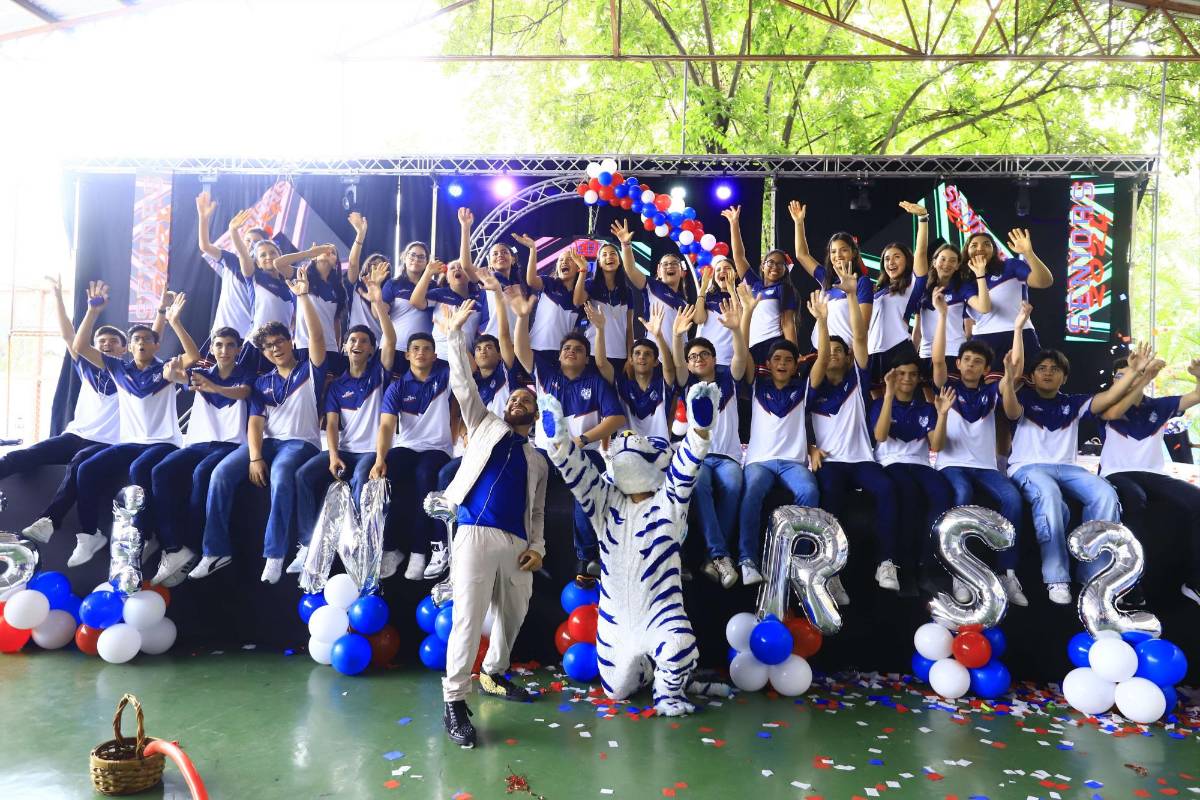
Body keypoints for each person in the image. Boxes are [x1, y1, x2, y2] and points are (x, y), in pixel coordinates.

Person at [438, 300, 547, 749]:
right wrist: (454, 336)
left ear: (535, 416)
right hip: (475, 533)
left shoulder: (538, 459)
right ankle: (454, 700)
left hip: (517, 543)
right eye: (514, 398)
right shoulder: (484, 425)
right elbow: (463, 384)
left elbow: (537, 511)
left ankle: (494, 674)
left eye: (526, 401)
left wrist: (538, 546)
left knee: (513, 616)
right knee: (468, 619)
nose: (518, 402)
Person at [191, 266, 327, 585]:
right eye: (268, 346)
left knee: (281, 476)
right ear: (263, 352)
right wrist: (254, 457)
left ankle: (275, 554)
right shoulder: (262, 381)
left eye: (280, 342)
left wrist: (303, 297)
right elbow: (255, 422)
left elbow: (318, 337)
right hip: (267, 443)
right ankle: (215, 551)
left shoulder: (310, 370)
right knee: (220, 474)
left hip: (301, 443)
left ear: (290, 342)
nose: (275, 348)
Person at [1001, 333, 1148, 604]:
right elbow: (1010, 411)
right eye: (1042, 368)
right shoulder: (1023, 400)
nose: (1048, 372)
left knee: (1105, 494)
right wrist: (1009, 381)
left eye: (1054, 369)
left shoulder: (1073, 403)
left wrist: (1133, 372)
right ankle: (1056, 577)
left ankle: (1093, 575)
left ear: (1064, 377)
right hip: (1028, 467)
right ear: (1032, 376)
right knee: (1049, 495)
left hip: (1069, 469)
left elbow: (1109, 396)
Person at [68, 284, 189, 567]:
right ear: (129, 347)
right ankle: (90, 534)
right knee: (86, 468)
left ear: (157, 345)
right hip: (130, 442)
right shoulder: (118, 368)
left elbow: (191, 356)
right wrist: (92, 311)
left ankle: (147, 536)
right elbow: (79, 347)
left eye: (147, 340)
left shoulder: (166, 369)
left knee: (139, 470)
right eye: (136, 340)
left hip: (164, 442)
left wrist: (171, 318)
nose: (141, 343)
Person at [513, 290, 625, 584]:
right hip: (545, 454)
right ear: (559, 355)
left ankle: (586, 559)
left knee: (586, 489)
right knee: (519, 482)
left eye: (577, 349)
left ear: (586, 358)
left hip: (583, 453)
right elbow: (521, 349)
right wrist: (522, 317)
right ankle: (522, 548)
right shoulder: (546, 374)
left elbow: (616, 419)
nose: (571, 351)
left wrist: (583, 440)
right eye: (566, 348)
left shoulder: (596, 382)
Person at [292, 262, 397, 575]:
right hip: (345, 450)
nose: (357, 345)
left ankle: (362, 547)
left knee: (360, 480)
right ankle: (307, 544)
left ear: (371, 349)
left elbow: (391, 340)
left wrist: (377, 300)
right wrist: (333, 455)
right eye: (352, 341)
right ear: (345, 347)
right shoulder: (336, 385)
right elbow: (332, 424)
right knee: (303, 476)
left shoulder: (380, 373)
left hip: (370, 452)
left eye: (364, 341)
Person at [806, 260, 901, 598]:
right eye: (828, 351)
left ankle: (886, 563)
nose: (833, 354)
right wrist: (822, 321)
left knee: (887, 490)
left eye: (839, 351)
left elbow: (859, 336)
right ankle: (830, 573)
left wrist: (849, 295)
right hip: (830, 463)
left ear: (848, 358)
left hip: (862, 460)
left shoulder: (858, 381)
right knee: (829, 500)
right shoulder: (812, 386)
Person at [8, 277, 125, 545]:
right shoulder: (86, 368)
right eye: (101, 341)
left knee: (79, 463)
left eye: (112, 341)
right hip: (75, 435)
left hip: (108, 442)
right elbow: (69, 336)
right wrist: (59, 298)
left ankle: (49, 521)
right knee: (24, 455)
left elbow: (151, 341)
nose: (106, 344)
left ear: (124, 348)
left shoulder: (129, 373)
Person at [930, 290, 1026, 604]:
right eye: (967, 360)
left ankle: (1007, 572)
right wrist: (942, 315)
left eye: (978, 362)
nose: (971, 365)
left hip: (986, 467)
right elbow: (936, 359)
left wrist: (1017, 328)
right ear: (959, 363)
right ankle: (959, 570)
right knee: (961, 495)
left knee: (1012, 498)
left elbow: (1015, 371)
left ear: (986, 369)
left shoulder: (991, 391)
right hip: (952, 464)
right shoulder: (947, 387)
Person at [149, 326, 257, 586]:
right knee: (159, 471)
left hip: (230, 445)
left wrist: (214, 388)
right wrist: (172, 369)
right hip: (197, 444)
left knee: (201, 474)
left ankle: (196, 546)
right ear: (212, 348)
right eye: (219, 345)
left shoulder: (247, 374)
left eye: (230, 345)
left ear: (238, 349)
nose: (224, 350)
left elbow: (243, 392)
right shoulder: (200, 374)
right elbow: (173, 374)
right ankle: (173, 547)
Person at [736, 291, 829, 586]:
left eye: (788, 359)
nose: (782, 363)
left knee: (809, 492)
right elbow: (743, 351)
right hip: (759, 462)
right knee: (751, 493)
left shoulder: (803, 388)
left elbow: (824, 359)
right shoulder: (756, 385)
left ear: (795, 365)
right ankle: (747, 559)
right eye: (777, 358)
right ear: (768, 363)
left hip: (793, 463)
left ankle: (799, 560)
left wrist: (823, 322)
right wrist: (747, 312)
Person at [1098, 355, 1200, 605]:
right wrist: (1142, 377)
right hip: (1116, 473)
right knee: (1134, 499)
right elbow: (1115, 412)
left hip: (1155, 474)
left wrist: (1198, 375)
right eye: (1121, 375)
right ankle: (1129, 585)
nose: (1127, 379)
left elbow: (1196, 395)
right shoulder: (1105, 405)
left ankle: (1195, 583)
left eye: (1133, 373)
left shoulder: (1158, 406)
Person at [670, 296, 750, 589]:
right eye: (693, 357)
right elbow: (677, 364)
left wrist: (736, 329)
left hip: (728, 457)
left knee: (733, 485)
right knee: (700, 486)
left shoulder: (729, 378)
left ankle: (712, 557)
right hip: (698, 457)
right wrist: (677, 336)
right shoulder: (687, 383)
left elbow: (740, 357)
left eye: (704, 354)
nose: (698, 359)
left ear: (715, 358)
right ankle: (718, 556)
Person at [371, 329, 457, 581]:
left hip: (438, 449)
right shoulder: (397, 386)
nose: (421, 353)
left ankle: (419, 552)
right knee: (389, 475)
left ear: (435, 355)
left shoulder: (445, 377)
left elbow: (469, 368)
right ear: (407, 355)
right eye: (416, 349)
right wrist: (379, 459)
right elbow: (386, 426)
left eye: (427, 349)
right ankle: (390, 549)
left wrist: (455, 330)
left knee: (424, 476)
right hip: (407, 446)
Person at [870, 357, 955, 596]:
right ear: (893, 377)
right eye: (901, 373)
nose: (907, 378)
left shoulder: (926, 408)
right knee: (908, 493)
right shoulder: (880, 404)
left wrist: (942, 415)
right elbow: (880, 435)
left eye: (912, 374)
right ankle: (903, 568)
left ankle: (926, 563)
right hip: (890, 463)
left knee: (943, 493)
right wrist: (888, 395)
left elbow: (936, 446)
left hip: (920, 464)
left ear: (919, 379)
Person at [964, 229, 1053, 374]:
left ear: (994, 250)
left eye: (987, 244)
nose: (980, 248)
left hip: (1022, 334)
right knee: (986, 385)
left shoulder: (1010, 266)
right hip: (984, 340)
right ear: (966, 251)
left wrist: (1028, 253)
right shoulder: (964, 281)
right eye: (974, 245)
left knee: (1028, 382)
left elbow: (1044, 281)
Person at [790, 200, 874, 350]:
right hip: (819, 351)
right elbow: (802, 255)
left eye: (844, 250)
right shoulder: (826, 279)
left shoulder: (862, 282)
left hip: (845, 354)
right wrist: (799, 223)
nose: (838, 255)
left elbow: (863, 329)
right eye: (833, 251)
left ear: (854, 253)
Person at [724, 205, 799, 363]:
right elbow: (738, 257)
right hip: (750, 347)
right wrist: (734, 224)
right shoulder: (754, 285)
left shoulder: (784, 289)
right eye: (770, 262)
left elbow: (788, 323)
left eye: (780, 264)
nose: (775, 267)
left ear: (785, 270)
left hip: (772, 347)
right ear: (763, 266)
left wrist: (794, 356)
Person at [866, 202, 930, 386]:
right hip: (872, 353)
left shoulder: (913, 284)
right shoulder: (877, 291)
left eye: (896, 257)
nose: (891, 262)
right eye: (887, 259)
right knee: (877, 401)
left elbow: (921, 253)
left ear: (907, 261)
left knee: (901, 398)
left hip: (898, 350)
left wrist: (923, 218)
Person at [592, 304, 675, 442]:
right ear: (630, 360)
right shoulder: (622, 385)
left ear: (656, 362)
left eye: (647, 354)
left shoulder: (662, 384)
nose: (642, 357)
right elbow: (601, 363)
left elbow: (669, 369)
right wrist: (600, 329)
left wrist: (658, 336)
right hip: (627, 450)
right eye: (637, 353)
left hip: (658, 450)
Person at [911, 244, 991, 383]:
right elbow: (917, 329)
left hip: (953, 353)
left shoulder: (962, 287)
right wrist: (912, 356)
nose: (947, 264)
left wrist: (980, 275)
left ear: (958, 265)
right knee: (929, 396)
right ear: (934, 262)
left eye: (952, 260)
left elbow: (984, 308)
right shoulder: (922, 289)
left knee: (950, 396)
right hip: (926, 355)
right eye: (943, 259)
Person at [195, 191, 259, 338]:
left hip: (251, 337)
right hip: (223, 332)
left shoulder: (267, 272)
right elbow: (205, 246)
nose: (251, 244)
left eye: (257, 241)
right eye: (248, 240)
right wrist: (203, 218)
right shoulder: (231, 260)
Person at [274, 242, 347, 372]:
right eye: (323, 249)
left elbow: (336, 321)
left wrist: (337, 346)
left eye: (333, 252)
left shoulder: (338, 288)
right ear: (315, 257)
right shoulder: (302, 276)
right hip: (304, 345)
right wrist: (308, 253)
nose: (327, 252)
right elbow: (278, 264)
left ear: (336, 262)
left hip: (330, 348)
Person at [576, 223, 635, 374]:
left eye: (613, 254)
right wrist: (583, 271)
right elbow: (577, 301)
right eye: (604, 255)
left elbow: (629, 329)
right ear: (599, 263)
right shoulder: (590, 285)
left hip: (620, 357)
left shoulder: (627, 292)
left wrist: (630, 358)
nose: (609, 257)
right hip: (593, 354)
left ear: (620, 261)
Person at [227, 211, 296, 335]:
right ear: (257, 263)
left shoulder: (291, 286)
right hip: (256, 342)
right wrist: (233, 231)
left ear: (280, 256)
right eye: (263, 255)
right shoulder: (254, 277)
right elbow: (243, 253)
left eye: (273, 253)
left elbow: (293, 318)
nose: (268, 257)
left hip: (283, 343)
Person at [381, 240, 435, 375]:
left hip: (421, 352)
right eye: (412, 255)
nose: (416, 259)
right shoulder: (393, 284)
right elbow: (378, 314)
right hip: (394, 347)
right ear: (404, 257)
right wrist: (375, 293)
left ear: (427, 262)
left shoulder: (434, 287)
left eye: (421, 257)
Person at [525, 245, 584, 366]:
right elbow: (531, 280)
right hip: (535, 348)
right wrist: (533, 250)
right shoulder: (549, 283)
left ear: (578, 267)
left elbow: (576, 330)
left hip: (561, 354)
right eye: (561, 260)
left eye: (569, 259)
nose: (564, 262)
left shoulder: (581, 296)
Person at [620, 246, 692, 343]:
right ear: (659, 271)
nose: (670, 266)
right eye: (665, 264)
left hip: (679, 351)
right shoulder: (652, 286)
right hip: (655, 350)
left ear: (682, 272)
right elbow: (631, 270)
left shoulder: (684, 301)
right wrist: (625, 245)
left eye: (674, 263)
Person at [691, 255, 740, 366]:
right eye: (718, 270)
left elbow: (740, 320)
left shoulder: (742, 295)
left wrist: (732, 290)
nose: (722, 271)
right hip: (702, 358)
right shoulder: (708, 296)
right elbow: (698, 319)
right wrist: (703, 288)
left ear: (736, 274)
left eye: (727, 268)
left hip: (727, 360)